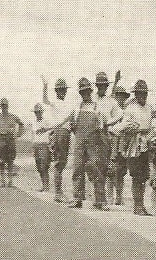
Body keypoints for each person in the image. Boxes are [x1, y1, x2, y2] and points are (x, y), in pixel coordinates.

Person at [68, 77, 106, 209]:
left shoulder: (97, 108)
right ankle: (77, 199)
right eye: (82, 92)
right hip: (79, 143)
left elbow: (101, 128)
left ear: (90, 91)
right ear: (80, 93)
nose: (85, 94)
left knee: (96, 169)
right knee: (77, 169)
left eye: (87, 91)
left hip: (94, 144)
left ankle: (100, 200)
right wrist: (79, 137)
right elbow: (72, 126)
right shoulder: (76, 108)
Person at [117, 79, 154, 215]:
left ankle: (141, 204)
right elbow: (125, 126)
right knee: (136, 175)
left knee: (143, 176)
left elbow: (152, 124)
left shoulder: (149, 108)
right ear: (135, 94)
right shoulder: (130, 108)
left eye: (144, 94)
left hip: (146, 143)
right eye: (139, 94)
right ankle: (137, 205)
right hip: (133, 144)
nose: (142, 96)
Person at [41, 77, 73, 203]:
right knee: (59, 163)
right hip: (59, 132)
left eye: (63, 90)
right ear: (56, 91)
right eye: (60, 90)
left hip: (65, 133)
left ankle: (59, 192)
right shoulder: (55, 102)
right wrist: (45, 86)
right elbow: (45, 100)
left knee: (62, 162)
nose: (62, 92)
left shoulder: (68, 104)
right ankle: (58, 193)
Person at [95, 71, 125, 204]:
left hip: (110, 137)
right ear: (97, 86)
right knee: (95, 167)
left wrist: (109, 123)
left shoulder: (111, 102)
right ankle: (100, 197)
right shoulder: (91, 99)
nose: (102, 87)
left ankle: (112, 197)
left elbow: (120, 114)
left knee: (112, 168)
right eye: (99, 85)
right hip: (94, 137)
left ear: (106, 86)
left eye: (104, 85)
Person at [0, 98, 24, 187]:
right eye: (2, 105)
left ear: (8, 106)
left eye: (5, 105)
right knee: (1, 161)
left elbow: (21, 124)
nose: (4, 107)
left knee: (10, 160)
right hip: (1, 140)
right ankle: (2, 181)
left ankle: (10, 181)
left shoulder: (13, 117)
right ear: (0, 106)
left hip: (10, 139)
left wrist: (18, 134)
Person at [106, 84, 131, 204]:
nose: (120, 99)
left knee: (121, 172)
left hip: (124, 143)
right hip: (112, 142)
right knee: (110, 171)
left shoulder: (126, 111)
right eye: (118, 96)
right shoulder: (112, 110)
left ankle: (119, 198)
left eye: (122, 97)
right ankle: (110, 197)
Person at [30, 103, 52, 192]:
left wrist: (50, 144)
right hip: (36, 145)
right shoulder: (33, 122)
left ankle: (46, 186)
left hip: (44, 145)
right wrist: (32, 147)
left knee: (44, 166)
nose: (37, 114)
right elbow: (33, 135)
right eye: (36, 112)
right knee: (39, 167)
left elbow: (52, 131)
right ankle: (43, 186)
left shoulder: (46, 121)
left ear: (41, 112)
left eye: (39, 112)